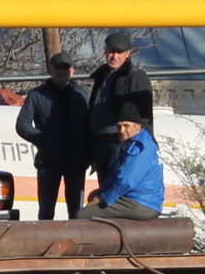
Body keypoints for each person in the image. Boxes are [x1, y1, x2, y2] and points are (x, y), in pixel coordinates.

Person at [15, 51, 92, 220]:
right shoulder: (37, 94)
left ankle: (76, 244)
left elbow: (90, 126)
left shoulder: (81, 95)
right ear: (50, 70)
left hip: (76, 161)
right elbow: (22, 125)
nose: (61, 72)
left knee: (76, 212)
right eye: (58, 68)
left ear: (72, 71)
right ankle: (45, 244)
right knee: (46, 211)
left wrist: (90, 154)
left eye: (65, 68)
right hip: (49, 161)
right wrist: (42, 138)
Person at [87, 31, 153, 190]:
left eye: (119, 52)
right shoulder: (102, 76)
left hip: (121, 143)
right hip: (101, 142)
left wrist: (137, 146)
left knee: (118, 189)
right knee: (106, 189)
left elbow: (143, 116)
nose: (114, 56)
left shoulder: (136, 77)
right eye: (111, 51)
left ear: (128, 54)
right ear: (105, 51)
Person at [77, 104, 163, 220]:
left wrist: (103, 197)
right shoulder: (135, 143)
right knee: (94, 199)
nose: (122, 131)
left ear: (138, 126)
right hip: (139, 199)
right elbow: (116, 176)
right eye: (119, 126)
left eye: (126, 126)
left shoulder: (140, 148)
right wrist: (101, 192)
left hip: (141, 203)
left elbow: (126, 181)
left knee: (83, 215)